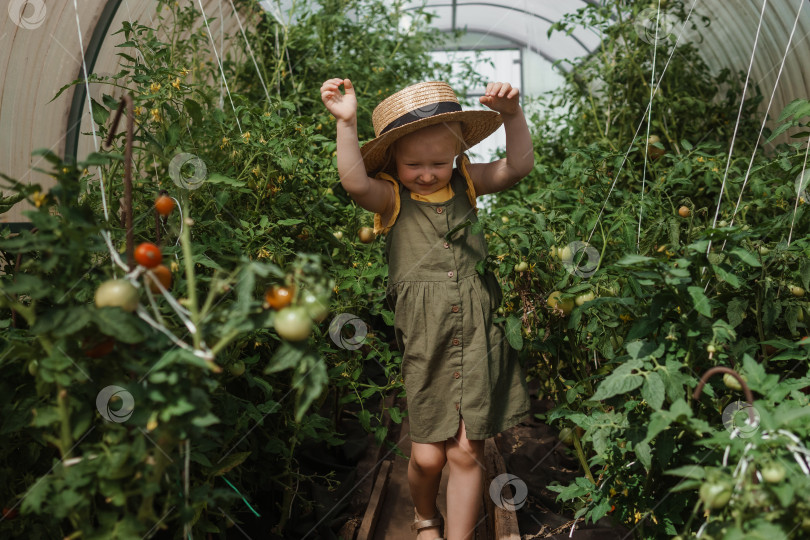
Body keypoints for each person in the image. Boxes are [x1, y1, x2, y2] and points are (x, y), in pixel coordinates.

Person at [320, 77, 533, 540]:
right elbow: (354, 181)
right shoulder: (392, 198)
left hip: (477, 329)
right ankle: (423, 516)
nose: (427, 173)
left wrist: (513, 116)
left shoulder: (467, 183)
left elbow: (517, 168)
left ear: (457, 154)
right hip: (425, 333)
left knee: (464, 451)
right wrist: (347, 122)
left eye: (439, 162)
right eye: (414, 163)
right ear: (394, 159)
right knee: (429, 455)